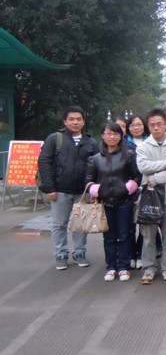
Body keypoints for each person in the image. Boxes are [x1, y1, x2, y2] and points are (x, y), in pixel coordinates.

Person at [37, 105, 99, 270]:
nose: (75, 122)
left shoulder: (91, 142)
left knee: (81, 224)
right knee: (59, 224)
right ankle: (60, 254)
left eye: (78, 119)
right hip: (60, 190)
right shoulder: (54, 139)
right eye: (71, 119)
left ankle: (80, 252)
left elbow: (96, 166)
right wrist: (50, 188)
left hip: (83, 191)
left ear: (83, 122)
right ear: (65, 121)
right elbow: (44, 162)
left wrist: (93, 189)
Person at [86, 122, 141, 282]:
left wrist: (131, 186)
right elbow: (88, 179)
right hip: (105, 202)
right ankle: (111, 267)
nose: (112, 137)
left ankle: (123, 266)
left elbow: (137, 175)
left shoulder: (129, 155)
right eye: (108, 133)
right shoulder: (95, 159)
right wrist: (93, 188)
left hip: (125, 201)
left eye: (115, 134)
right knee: (109, 236)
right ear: (103, 136)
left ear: (120, 136)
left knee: (125, 235)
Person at [136, 108, 166, 285]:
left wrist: (155, 178)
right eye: (152, 125)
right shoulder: (143, 146)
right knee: (148, 236)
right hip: (148, 197)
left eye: (159, 124)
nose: (156, 128)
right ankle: (148, 268)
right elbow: (143, 167)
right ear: (148, 126)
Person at [125, 114, 153, 269]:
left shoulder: (151, 141)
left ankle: (141, 254)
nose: (136, 128)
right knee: (129, 226)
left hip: (148, 186)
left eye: (139, 124)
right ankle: (130, 255)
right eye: (132, 125)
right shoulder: (123, 144)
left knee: (145, 224)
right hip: (128, 189)